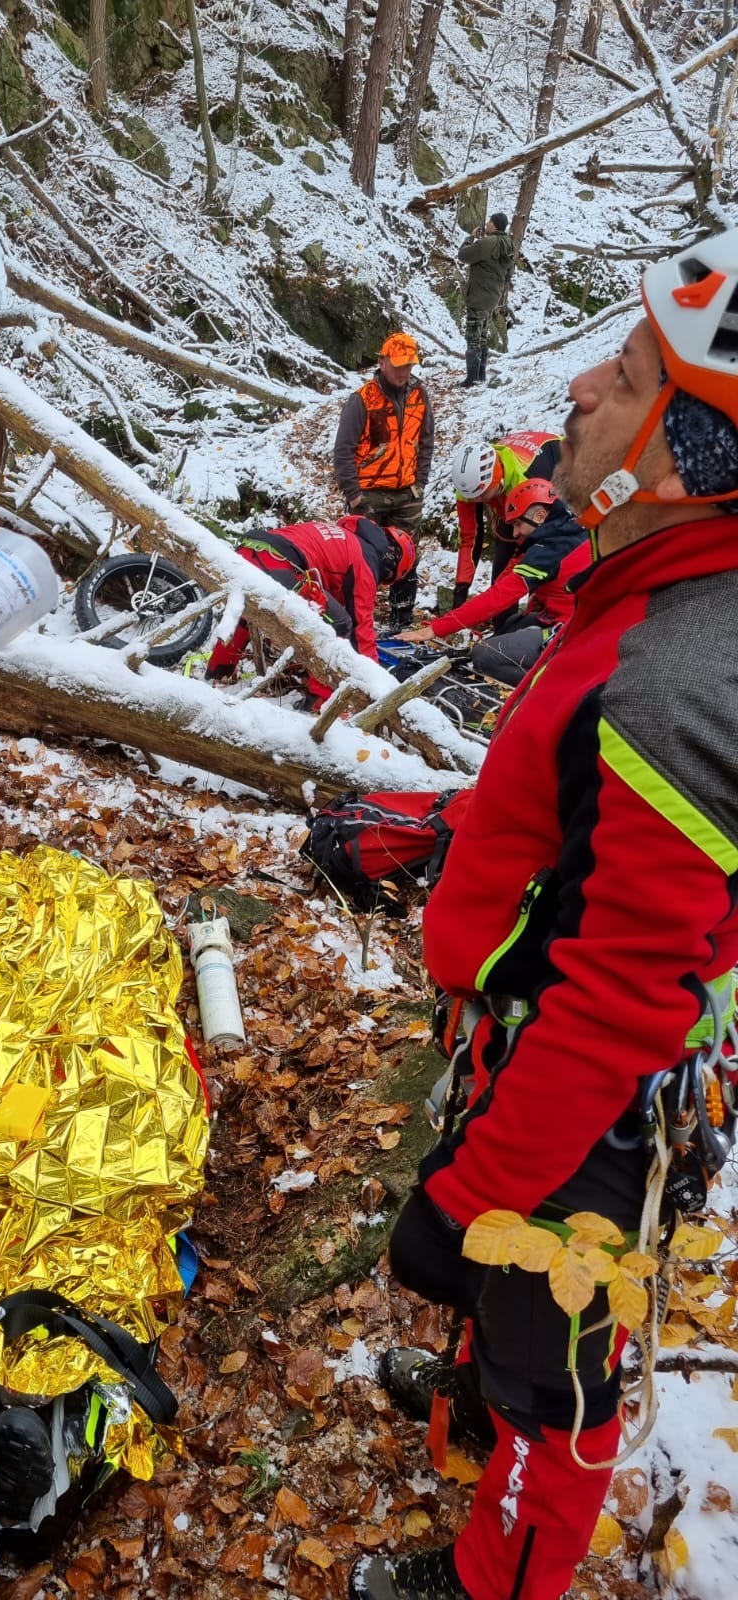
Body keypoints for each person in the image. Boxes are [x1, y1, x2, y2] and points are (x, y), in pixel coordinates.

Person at [351, 231, 738, 1600]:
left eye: (623, 376)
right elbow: (586, 826)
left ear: (692, 455)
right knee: (510, 1320)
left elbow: (620, 1004)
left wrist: (466, 1201)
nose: (579, 387)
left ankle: (492, 1575)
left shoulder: (674, 683)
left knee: (555, 1383)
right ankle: (478, 1393)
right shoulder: (656, 593)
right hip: (535, 1056)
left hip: (585, 1116)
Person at [204, 517, 416, 709]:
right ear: (393, 569)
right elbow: (362, 630)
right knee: (338, 624)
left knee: (247, 612)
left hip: (248, 551)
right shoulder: (366, 560)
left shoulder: (349, 539)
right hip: (276, 562)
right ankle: (319, 702)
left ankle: (217, 671)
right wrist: (375, 681)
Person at [395, 480, 591, 686]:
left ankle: (558, 688)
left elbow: (499, 597)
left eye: (518, 524)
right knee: (510, 626)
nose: (515, 533)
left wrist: (436, 629)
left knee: (484, 655)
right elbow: (504, 582)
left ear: (540, 516)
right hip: (565, 621)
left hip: (574, 632)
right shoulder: (561, 533)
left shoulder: (551, 550)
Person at [332, 332, 434, 630]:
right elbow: (343, 449)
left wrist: (420, 482)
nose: (404, 372)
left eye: (409, 365)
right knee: (361, 557)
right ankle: (354, 617)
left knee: (407, 556)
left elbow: (426, 440)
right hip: (369, 494)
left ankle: (402, 618)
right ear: (382, 362)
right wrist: (354, 494)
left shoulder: (419, 394)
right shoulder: (362, 399)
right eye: (398, 365)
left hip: (407, 492)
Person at [449, 429, 562, 606]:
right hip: (511, 488)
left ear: (497, 482)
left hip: (565, 467)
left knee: (543, 563)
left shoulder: (525, 481)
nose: (477, 501)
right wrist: (460, 592)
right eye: (473, 497)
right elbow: (469, 538)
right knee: (501, 576)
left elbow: (540, 540)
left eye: (481, 496)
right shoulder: (468, 486)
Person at [457, 212, 515, 388]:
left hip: (478, 297)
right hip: (492, 297)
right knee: (482, 335)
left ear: (494, 225)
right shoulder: (509, 244)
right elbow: (509, 273)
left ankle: (472, 378)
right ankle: (481, 374)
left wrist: (470, 238)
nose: (487, 224)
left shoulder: (487, 243)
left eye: (489, 222)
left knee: (473, 336)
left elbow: (463, 255)